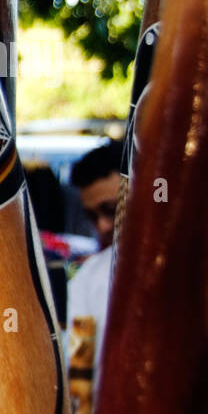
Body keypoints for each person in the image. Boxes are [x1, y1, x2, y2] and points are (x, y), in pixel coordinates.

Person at [66, 139, 123, 371]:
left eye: (110, 209)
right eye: (92, 216)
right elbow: (80, 369)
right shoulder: (87, 277)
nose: (102, 226)